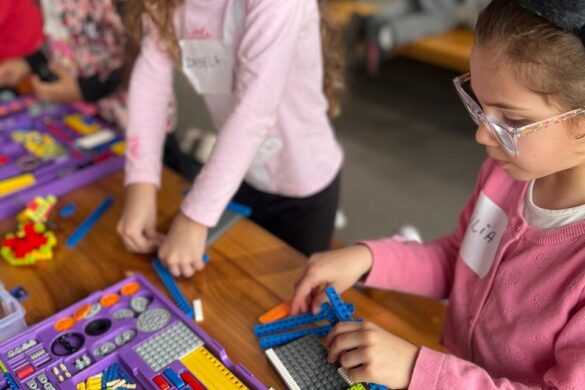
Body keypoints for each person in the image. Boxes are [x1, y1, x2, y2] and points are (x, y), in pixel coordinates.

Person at [291, 0, 585, 388]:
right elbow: (459, 260)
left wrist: (420, 371)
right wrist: (367, 258)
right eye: (481, 107)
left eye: (512, 121)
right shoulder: (506, 175)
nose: (482, 134)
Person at [118, 0, 345, 278]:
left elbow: (254, 111)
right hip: (240, 176)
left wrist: (194, 218)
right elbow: (150, 82)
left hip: (305, 186)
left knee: (295, 290)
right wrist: (141, 183)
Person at [0, 0, 127, 127]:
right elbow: (60, 39)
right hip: (76, 112)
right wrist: (28, 63)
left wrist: (85, 90)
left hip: (121, 115)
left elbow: (137, 55)